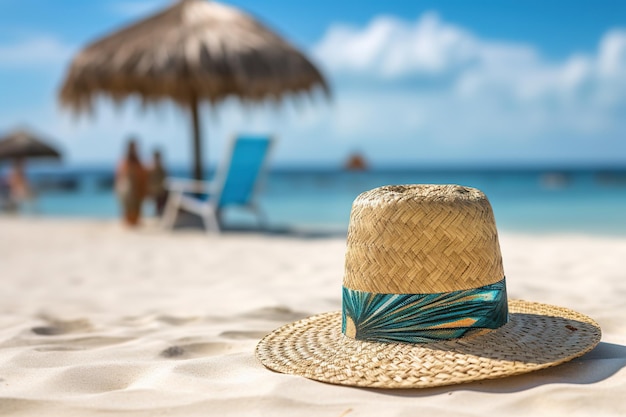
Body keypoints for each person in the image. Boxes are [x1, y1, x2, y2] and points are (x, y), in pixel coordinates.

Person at [115, 139, 148, 226]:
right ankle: (130, 221)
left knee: (135, 206)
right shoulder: (127, 160)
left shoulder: (135, 160)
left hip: (135, 187)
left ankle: (133, 221)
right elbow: (121, 174)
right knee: (129, 206)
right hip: (129, 187)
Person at [148, 149, 168, 216]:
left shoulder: (158, 168)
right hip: (156, 191)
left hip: (160, 190)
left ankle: (160, 213)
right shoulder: (153, 168)